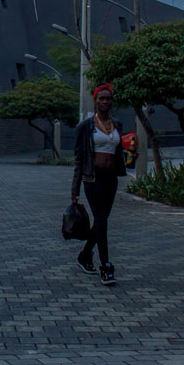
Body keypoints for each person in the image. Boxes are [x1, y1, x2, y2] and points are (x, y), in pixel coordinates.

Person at [71, 83, 127, 286]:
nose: (105, 102)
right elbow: (79, 160)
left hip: (111, 178)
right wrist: (74, 190)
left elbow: (119, 151)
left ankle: (85, 255)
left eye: (108, 98)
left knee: (101, 220)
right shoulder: (85, 127)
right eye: (101, 98)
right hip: (92, 178)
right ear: (95, 101)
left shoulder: (117, 124)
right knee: (102, 220)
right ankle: (106, 266)